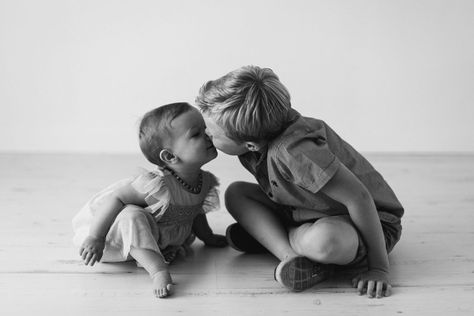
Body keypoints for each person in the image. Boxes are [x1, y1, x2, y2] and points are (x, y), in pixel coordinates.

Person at [195, 66, 403, 299]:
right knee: (237, 193)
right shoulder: (263, 130)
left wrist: (379, 268)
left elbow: (359, 198)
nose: (206, 135)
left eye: (212, 134)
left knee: (326, 242)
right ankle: (290, 256)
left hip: (367, 224)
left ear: (251, 144)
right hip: (304, 209)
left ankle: (274, 236)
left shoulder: (296, 152)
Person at [72, 102, 227, 298]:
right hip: (121, 239)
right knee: (131, 214)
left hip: (160, 238)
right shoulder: (157, 186)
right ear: (170, 156)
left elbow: (195, 211)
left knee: (145, 216)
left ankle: (162, 251)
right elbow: (117, 197)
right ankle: (158, 271)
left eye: (206, 129)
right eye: (196, 134)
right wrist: (96, 237)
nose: (208, 135)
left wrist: (208, 237)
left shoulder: (203, 181)